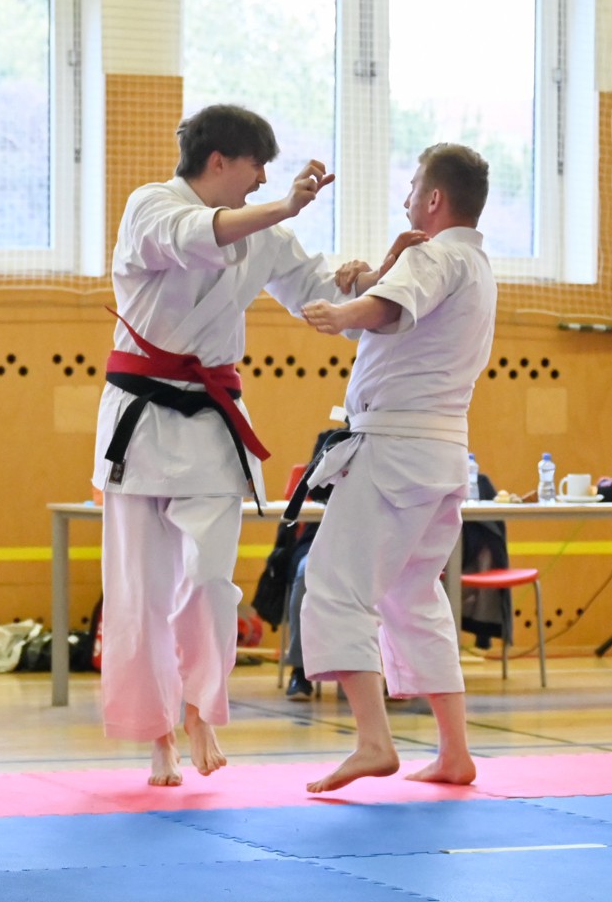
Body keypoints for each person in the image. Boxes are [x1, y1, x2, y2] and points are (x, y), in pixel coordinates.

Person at [92, 104, 395, 787]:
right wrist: (283, 206)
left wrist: (363, 281)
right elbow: (196, 237)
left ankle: (199, 704)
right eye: (257, 166)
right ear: (219, 161)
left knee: (208, 579)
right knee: (140, 591)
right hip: (141, 420)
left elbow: (317, 291)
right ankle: (158, 736)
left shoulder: (263, 233)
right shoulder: (151, 206)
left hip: (211, 426)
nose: (263, 179)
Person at [297, 143, 496, 793]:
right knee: (412, 594)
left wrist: (340, 312)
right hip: (442, 455)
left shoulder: (435, 255)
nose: (406, 196)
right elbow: (396, 310)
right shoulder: (477, 265)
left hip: (396, 450)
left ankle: (373, 741)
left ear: (434, 198)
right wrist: (375, 277)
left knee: (334, 583)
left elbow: (389, 310)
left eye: (413, 186)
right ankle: (454, 752)